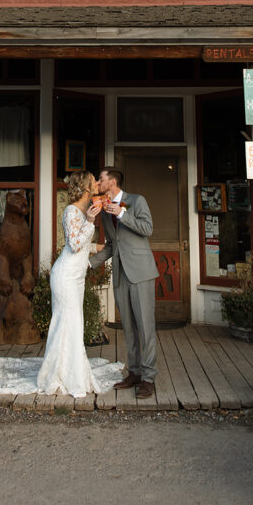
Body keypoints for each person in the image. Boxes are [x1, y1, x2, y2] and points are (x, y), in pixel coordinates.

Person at [89, 166, 158, 399]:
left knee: (146, 328)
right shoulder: (105, 211)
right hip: (120, 274)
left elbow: (147, 229)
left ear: (113, 181)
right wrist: (89, 264)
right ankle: (135, 372)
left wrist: (121, 214)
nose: (98, 182)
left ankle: (149, 378)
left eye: (101, 178)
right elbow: (111, 245)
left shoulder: (137, 201)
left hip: (141, 273)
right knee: (128, 328)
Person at [36, 170, 106, 398]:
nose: (97, 183)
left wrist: (106, 247)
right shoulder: (71, 211)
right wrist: (91, 221)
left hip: (77, 278)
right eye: (94, 180)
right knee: (68, 323)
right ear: (86, 187)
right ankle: (59, 374)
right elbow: (74, 244)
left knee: (74, 325)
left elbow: (85, 246)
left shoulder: (83, 211)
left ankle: (72, 371)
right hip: (65, 277)